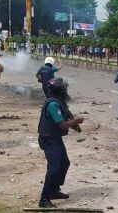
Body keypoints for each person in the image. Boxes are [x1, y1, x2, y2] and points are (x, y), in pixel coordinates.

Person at [37, 77, 84, 208]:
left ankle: (54, 191)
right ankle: (44, 199)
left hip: (55, 138)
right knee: (54, 169)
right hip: (49, 140)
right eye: (64, 89)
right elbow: (62, 125)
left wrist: (74, 123)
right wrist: (76, 121)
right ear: (60, 90)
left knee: (64, 163)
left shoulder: (59, 101)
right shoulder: (53, 104)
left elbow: (67, 115)